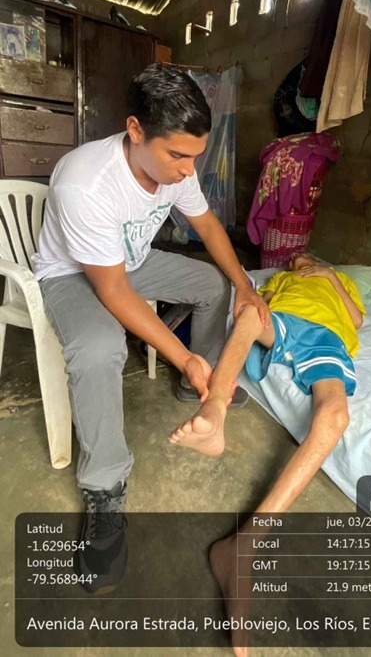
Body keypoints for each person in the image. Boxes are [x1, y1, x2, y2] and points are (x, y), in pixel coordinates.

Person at [32, 64, 269, 592]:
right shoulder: (85, 183)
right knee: (99, 347)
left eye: (195, 156)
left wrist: (245, 286)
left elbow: (206, 224)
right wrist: (182, 353)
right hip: (73, 272)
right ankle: (105, 488)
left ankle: (196, 386)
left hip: (128, 260)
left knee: (212, 284)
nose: (188, 170)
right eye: (178, 156)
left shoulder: (176, 167)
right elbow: (114, 292)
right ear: (136, 130)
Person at [169, 253, 365, 656]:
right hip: (285, 322)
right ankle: (215, 409)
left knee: (335, 416)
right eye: (295, 259)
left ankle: (245, 546)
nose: (299, 258)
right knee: (248, 317)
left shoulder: (339, 279)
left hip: (327, 339)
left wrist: (330, 275)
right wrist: (265, 298)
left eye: (306, 257)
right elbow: (258, 305)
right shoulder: (283, 281)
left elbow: (357, 320)